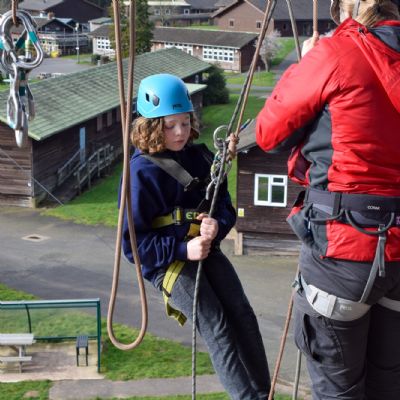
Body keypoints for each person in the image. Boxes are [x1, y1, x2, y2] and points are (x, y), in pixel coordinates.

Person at [256, 0, 400, 399]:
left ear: (349, 9)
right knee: (389, 387)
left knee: (338, 389)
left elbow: (269, 134)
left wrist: (306, 65)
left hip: (342, 250)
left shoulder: (336, 53)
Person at [122, 73, 271, 400]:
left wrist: (218, 224)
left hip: (204, 250)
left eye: (185, 123)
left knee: (242, 314)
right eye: (170, 125)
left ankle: (264, 393)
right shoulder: (141, 174)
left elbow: (224, 205)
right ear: (150, 126)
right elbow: (133, 246)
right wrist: (182, 249)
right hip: (169, 264)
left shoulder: (200, 158)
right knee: (216, 325)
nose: (180, 132)